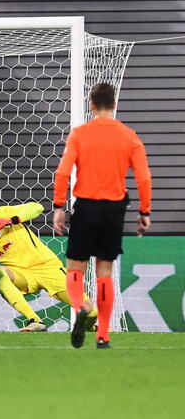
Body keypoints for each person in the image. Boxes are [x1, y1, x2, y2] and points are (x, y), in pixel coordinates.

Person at [53, 82, 152, 349]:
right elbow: (143, 177)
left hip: (86, 206)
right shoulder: (129, 136)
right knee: (104, 270)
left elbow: (62, 172)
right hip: (114, 209)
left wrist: (59, 206)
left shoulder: (80, 134)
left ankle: (82, 305)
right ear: (115, 104)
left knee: (75, 267)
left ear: (92, 105)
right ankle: (103, 336)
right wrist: (145, 211)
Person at [0, 200, 98, 333]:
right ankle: (34, 320)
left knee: (90, 312)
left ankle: (90, 327)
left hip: (48, 269)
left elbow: (37, 207)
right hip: (23, 276)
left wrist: (11, 221)